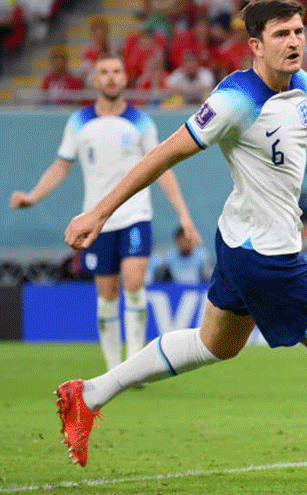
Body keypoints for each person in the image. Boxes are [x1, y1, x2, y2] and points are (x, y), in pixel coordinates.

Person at [54, 0, 307, 483]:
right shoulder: (232, 100)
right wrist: (99, 210)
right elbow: (165, 154)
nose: (294, 42)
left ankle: (88, 395)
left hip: (240, 240)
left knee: (214, 344)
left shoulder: (301, 83)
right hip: (267, 254)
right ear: (255, 46)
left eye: (299, 32)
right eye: (282, 35)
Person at [11, 54, 201, 371]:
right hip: (97, 220)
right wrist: (32, 197)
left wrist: (184, 214)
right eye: (104, 72)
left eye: (117, 71)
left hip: (136, 215)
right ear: (95, 80)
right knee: (107, 292)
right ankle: (114, 367)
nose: (111, 77)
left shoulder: (141, 122)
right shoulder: (79, 123)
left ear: (126, 78)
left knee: (134, 280)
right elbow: (60, 166)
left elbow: (164, 169)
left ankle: (136, 364)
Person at [146, 224, 211, 285]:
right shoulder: (170, 258)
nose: (186, 242)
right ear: (177, 241)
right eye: (183, 239)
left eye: (189, 239)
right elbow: (163, 280)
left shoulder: (203, 256)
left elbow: (207, 279)